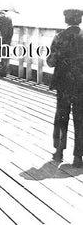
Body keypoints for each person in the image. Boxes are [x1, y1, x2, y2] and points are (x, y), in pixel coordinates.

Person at [47, 9, 83, 167]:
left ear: (66, 20)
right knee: (80, 119)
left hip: (63, 84)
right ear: (80, 20)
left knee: (62, 118)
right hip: (81, 84)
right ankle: (78, 157)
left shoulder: (59, 37)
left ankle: (59, 151)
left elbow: (51, 62)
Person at [0, 9, 14, 77]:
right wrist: (9, 40)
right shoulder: (9, 19)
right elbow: (11, 31)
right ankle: (3, 72)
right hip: (5, 41)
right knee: (4, 57)